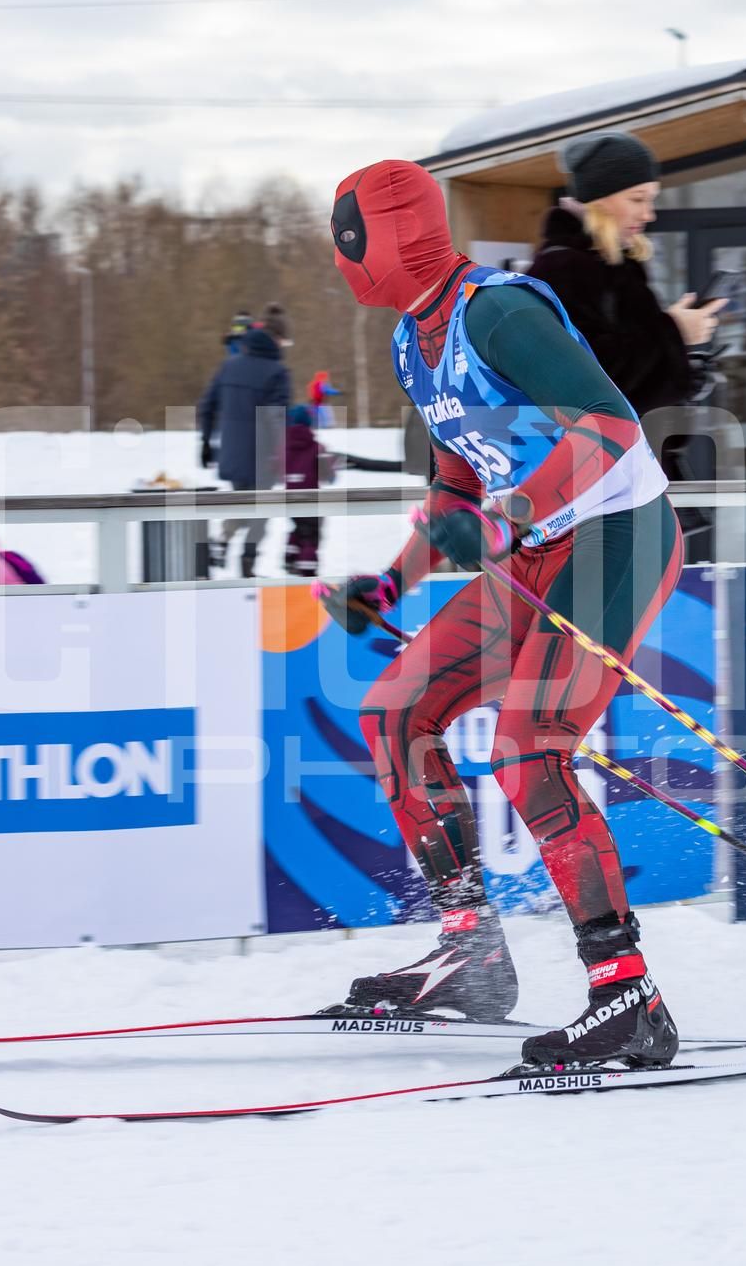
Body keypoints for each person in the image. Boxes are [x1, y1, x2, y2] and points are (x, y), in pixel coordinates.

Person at [317, 158, 683, 1071]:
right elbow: (457, 479)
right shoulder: (414, 338)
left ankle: (626, 993)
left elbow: (610, 427)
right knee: (396, 712)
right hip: (532, 547)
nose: (344, 256)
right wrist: (390, 585)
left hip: (615, 536)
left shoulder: (499, 311)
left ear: (397, 235)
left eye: (351, 237)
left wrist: (506, 516)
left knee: (529, 744)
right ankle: (472, 950)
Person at [529, 131, 724, 559]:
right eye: (637, 199)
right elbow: (591, 380)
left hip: (628, 482)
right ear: (599, 199)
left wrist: (684, 367)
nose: (649, 213)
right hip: (598, 494)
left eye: (650, 199)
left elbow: (633, 380)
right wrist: (673, 333)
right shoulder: (564, 268)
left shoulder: (614, 262)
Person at [198, 322, 292, 577]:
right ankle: (247, 565)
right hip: (263, 457)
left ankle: (222, 541)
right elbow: (277, 418)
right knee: (261, 513)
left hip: (232, 453)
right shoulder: (277, 371)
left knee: (243, 504)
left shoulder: (229, 366)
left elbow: (207, 407)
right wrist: (283, 453)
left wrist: (205, 443)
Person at [283, 404, 335, 576]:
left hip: (289, 499)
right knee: (311, 536)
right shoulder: (316, 447)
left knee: (299, 528)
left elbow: (276, 467)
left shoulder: (284, 446)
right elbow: (327, 474)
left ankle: (290, 554)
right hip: (311, 500)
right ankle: (307, 572)